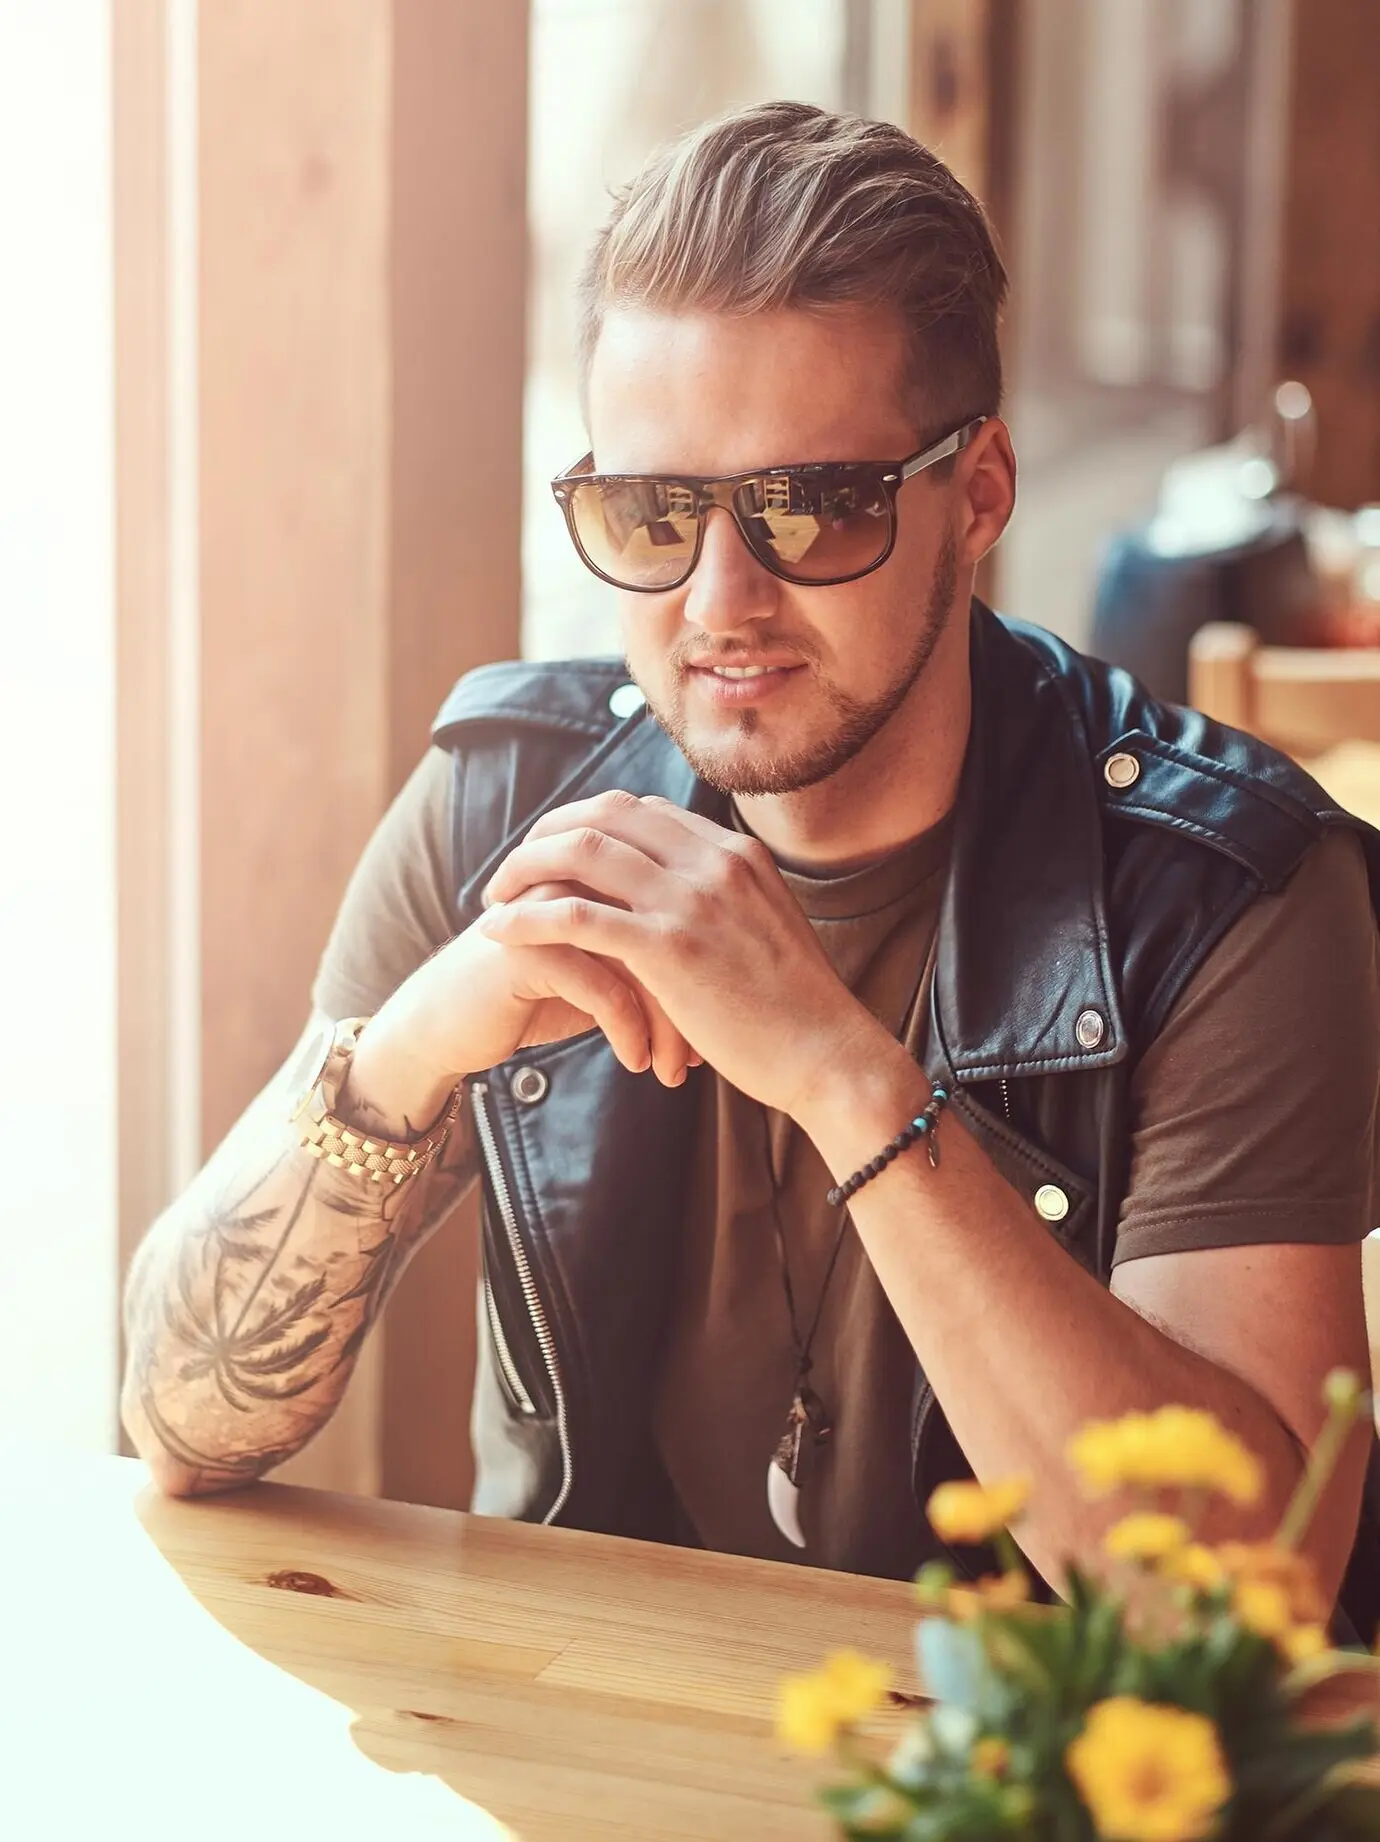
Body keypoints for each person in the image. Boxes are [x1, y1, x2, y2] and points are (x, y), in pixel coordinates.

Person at [121, 102, 1380, 1638]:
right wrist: (408, 1051)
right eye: (652, 511)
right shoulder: (505, 802)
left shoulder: (1229, 891)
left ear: (980, 492)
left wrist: (845, 1078)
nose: (721, 599)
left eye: (812, 504)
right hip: (587, 1723)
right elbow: (181, 1419)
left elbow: (1243, 1613)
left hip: (1013, 1753)